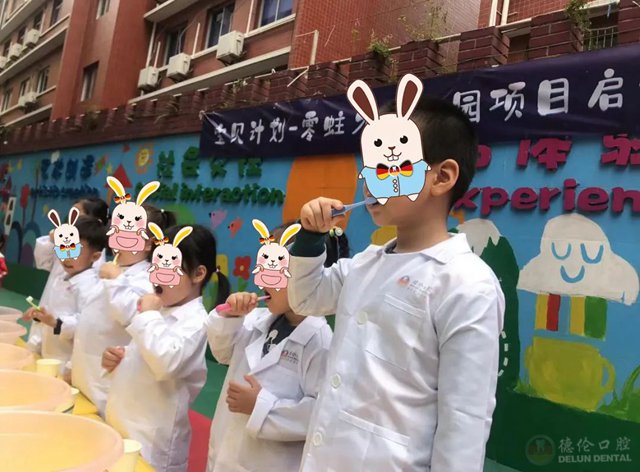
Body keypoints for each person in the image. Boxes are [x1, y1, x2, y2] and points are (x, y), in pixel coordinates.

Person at [287, 96, 505, 471]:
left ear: (442, 177)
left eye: (389, 166)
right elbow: (306, 298)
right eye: (369, 167)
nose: (371, 181)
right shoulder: (365, 263)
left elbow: (464, 423)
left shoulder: (468, 285)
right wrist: (309, 238)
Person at [205, 223, 333, 472]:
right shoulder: (256, 320)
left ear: (309, 278)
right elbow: (222, 353)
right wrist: (231, 317)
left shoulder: (320, 341)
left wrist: (261, 406)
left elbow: (318, 414)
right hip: (224, 455)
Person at [102, 224, 230, 472]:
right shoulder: (161, 308)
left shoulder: (196, 322)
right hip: (125, 426)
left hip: (152, 445)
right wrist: (118, 361)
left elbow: (166, 362)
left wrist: (148, 315)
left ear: (198, 274)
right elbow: (147, 357)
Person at [71, 205, 175, 415]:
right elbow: (90, 317)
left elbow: (131, 315)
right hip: (85, 371)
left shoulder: (148, 279)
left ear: (148, 243)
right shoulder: (114, 268)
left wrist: (116, 280)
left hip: (106, 382)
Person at [26, 197, 108, 363]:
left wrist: (55, 322)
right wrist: (40, 316)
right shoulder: (64, 277)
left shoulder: (91, 286)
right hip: (49, 354)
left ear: (95, 257)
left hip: (67, 361)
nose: (66, 257)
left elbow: (85, 326)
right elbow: (54, 311)